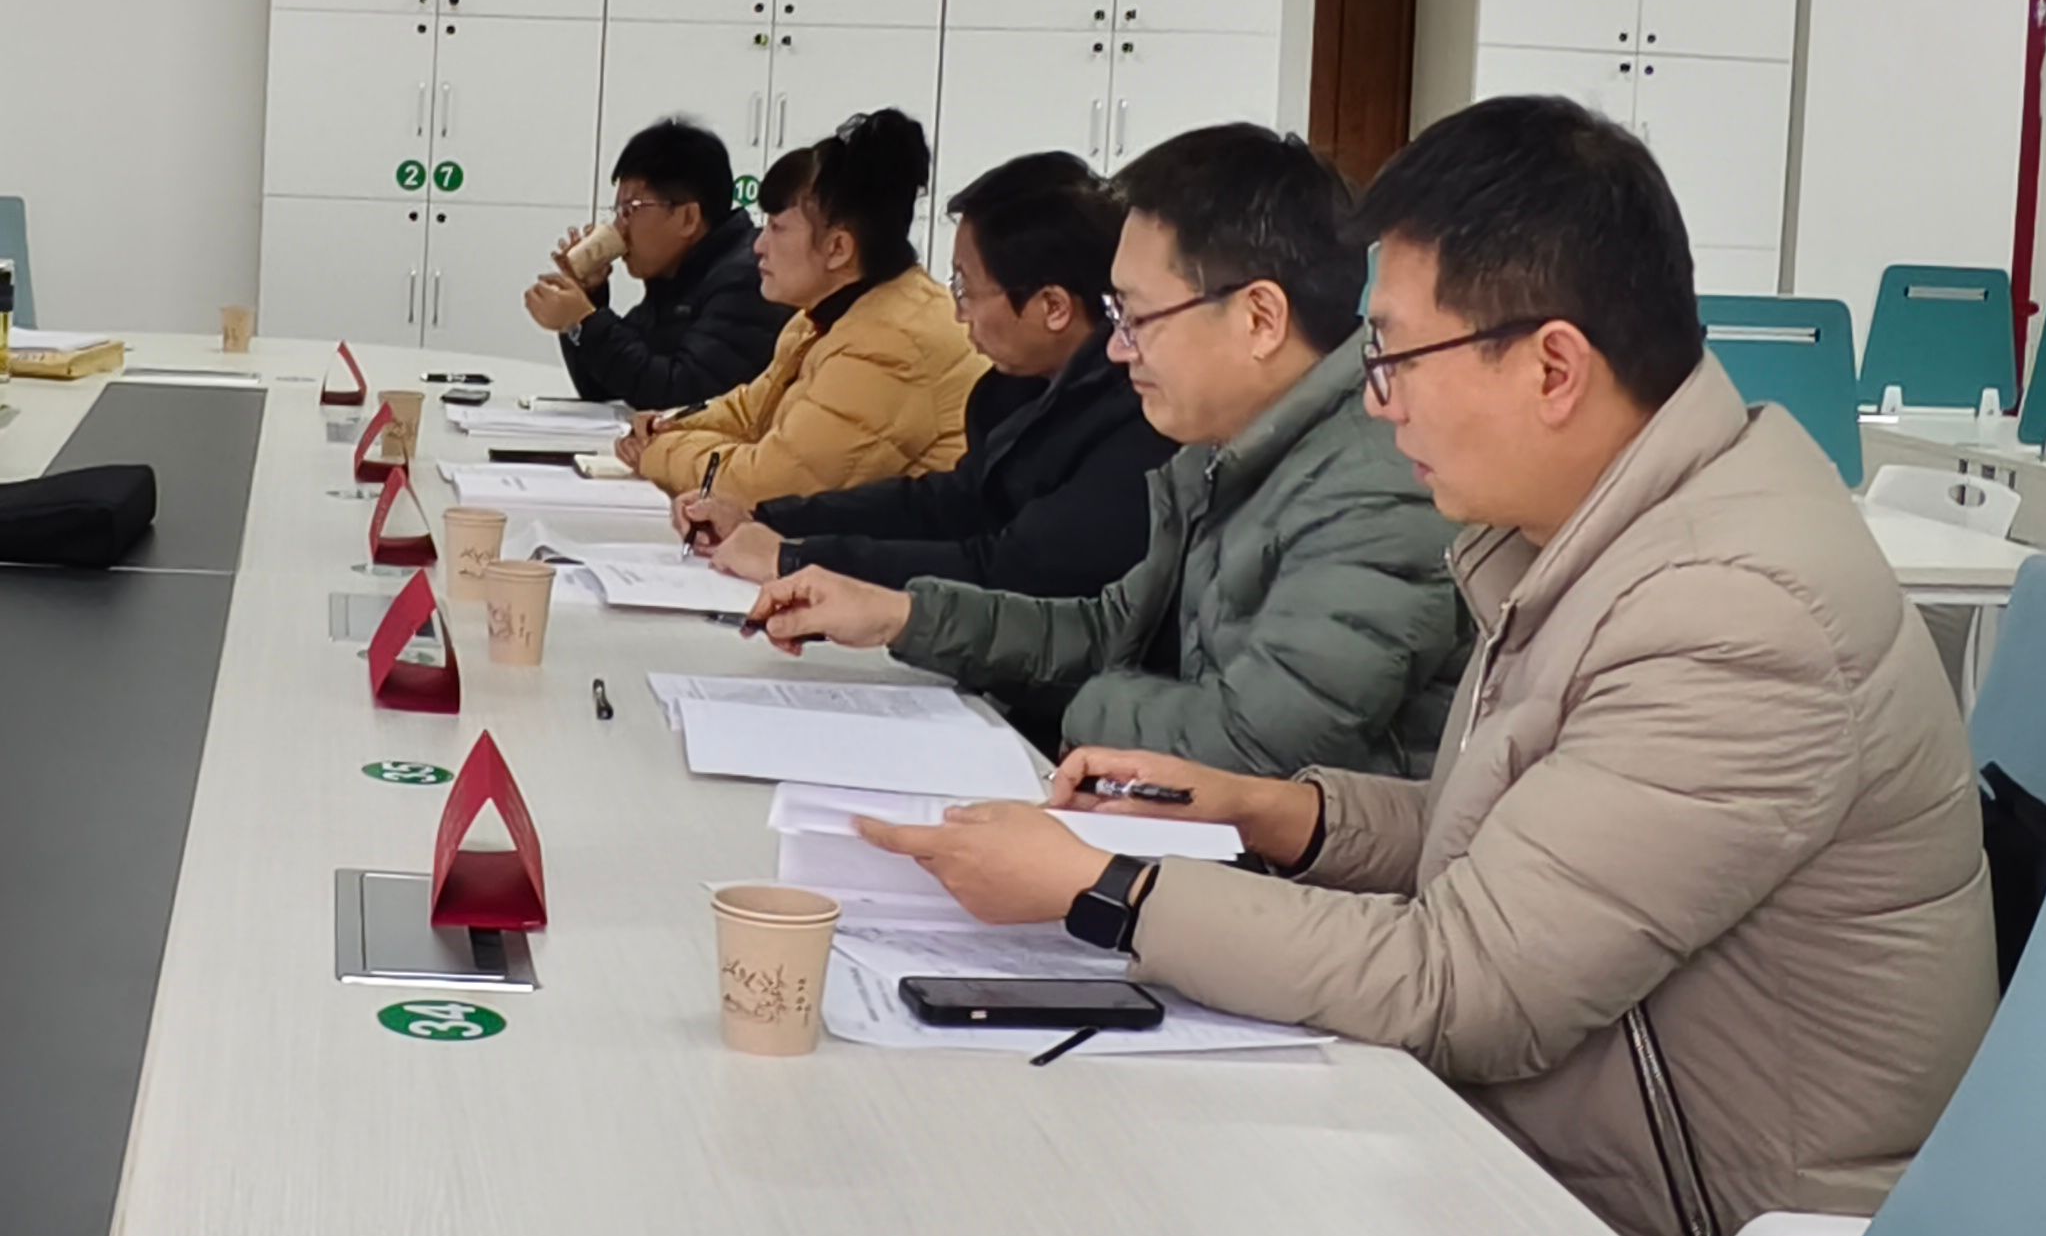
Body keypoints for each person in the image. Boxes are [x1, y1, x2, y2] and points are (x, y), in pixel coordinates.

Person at [835, 97, 1995, 1236]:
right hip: (1530, 1161)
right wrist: (1282, 815)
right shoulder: (1598, 526)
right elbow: (1516, 839)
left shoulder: (1733, 613)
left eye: (1394, 355)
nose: (1376, 399)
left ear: (1553, 367)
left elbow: (1467, 984)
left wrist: (1106, 889)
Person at [752, 121, 1461, 776]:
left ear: (1259, 319)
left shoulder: (1376, 485)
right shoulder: (1227, 447)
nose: (1118, 349)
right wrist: (900, 616)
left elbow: (1253, 745)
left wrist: (1073, 710)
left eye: (1136, 316)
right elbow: (1111, 627)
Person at [695, 150, 1170, 601]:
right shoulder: (1021, 389)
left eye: (966, 287)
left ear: (1053, 307)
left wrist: (795, 559)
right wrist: (770, 520)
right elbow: (947, 504)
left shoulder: (1135, 421)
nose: (959, 313)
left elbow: (1009, 570)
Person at [621, 111, 983, 511]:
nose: (758, 246)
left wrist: (659, 452)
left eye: (777, 228)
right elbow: (750, 412)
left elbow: (766, 486)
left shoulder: (893, 345)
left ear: (838, 248)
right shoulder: (823, 319)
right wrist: (669, 424)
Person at [521, 118, 782, 406]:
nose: (618, 228)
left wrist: (585, 321)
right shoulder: (673, 277)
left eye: (630, 209)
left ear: (688, 218)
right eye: (617, 212)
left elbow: (683, 397)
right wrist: (588, 299)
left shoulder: (748, 277)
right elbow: (605, 390)